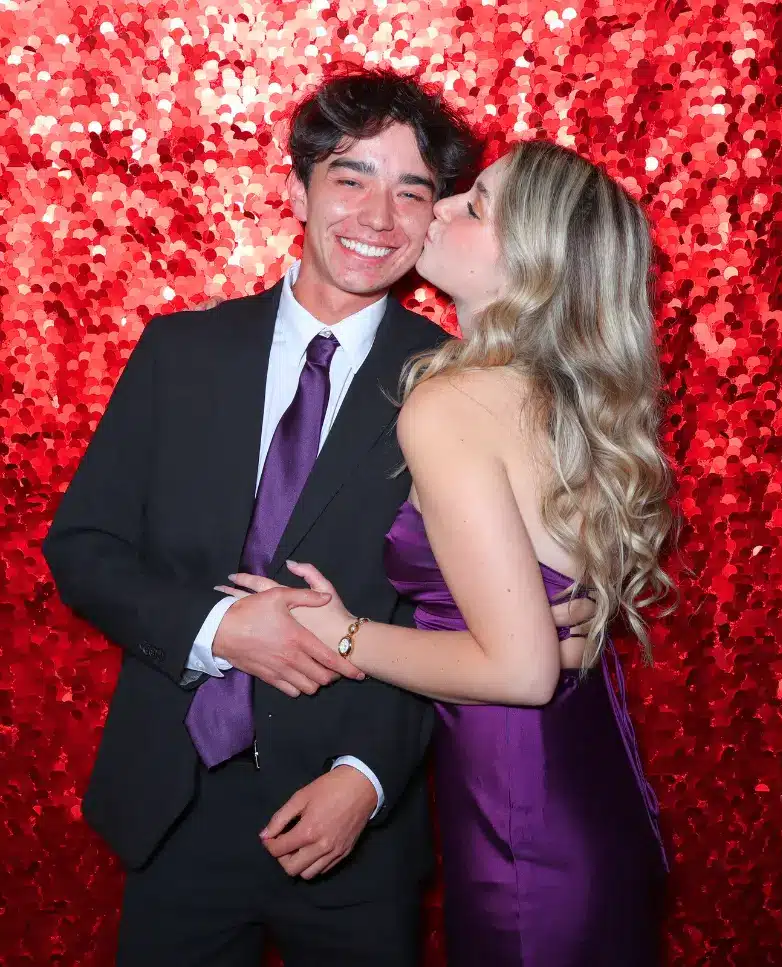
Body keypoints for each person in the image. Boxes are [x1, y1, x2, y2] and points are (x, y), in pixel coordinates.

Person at [43, 71, 592, 967]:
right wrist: (220, 629)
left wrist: (365, 778)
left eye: (411, 191)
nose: (379, 215)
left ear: (435, 217)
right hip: (175, 798)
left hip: (357, 824)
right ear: (297, 190)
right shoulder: (179, 352)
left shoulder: (460, 384)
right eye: (352, 177)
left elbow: (451, 619)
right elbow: (83, 548)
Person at [225, 141, 674, 966]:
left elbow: (520, 672)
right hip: (590, 791)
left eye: (476, 206)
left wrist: (345, 632)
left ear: (531, 259)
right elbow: (552, 631)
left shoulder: (451, 401)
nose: (439, 209)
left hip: (524, 822)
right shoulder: (554, 392)